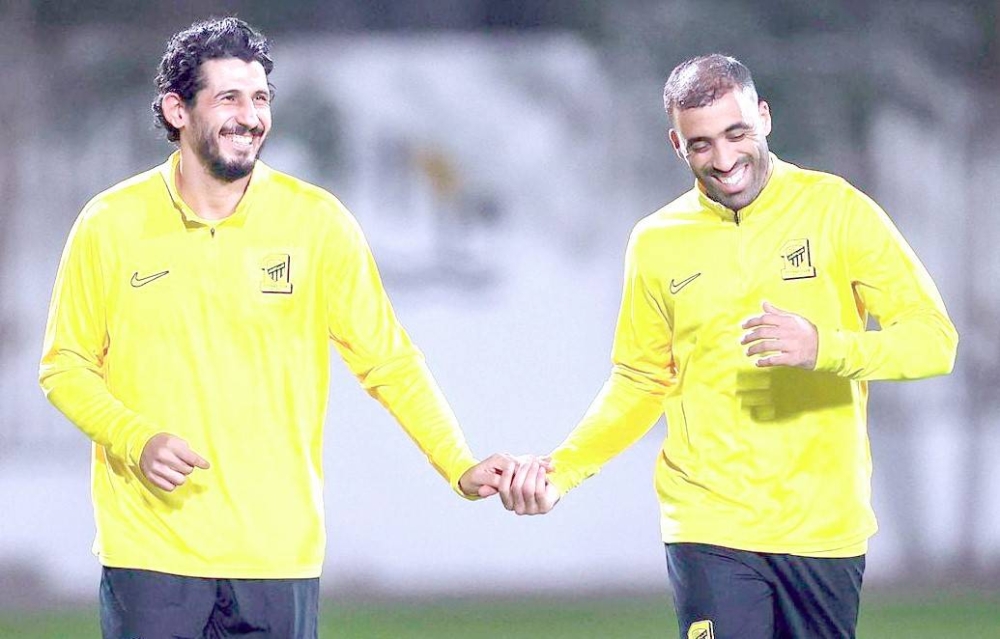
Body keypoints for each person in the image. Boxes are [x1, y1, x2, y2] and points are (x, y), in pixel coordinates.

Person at [39, 17, 512, 639]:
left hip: (277, 558)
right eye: (229, 98)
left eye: (260, 98)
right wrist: (136, 438)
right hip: (149, 555)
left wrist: (459, 463)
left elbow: (390, 363)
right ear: (177, 110)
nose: (250, 116)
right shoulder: (108, 223)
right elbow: (65, 366)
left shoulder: (317, 223)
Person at [499, 54, 958, 639]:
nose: (723, 159)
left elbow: (934, 341)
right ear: (677, 145)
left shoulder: (838, 210)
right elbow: (640, 379)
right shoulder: (656, 241)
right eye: (701, 144)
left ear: (763, 117)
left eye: (736, 133)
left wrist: (825, 347)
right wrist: (562, 470)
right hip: (707, 524)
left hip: (823, 529)